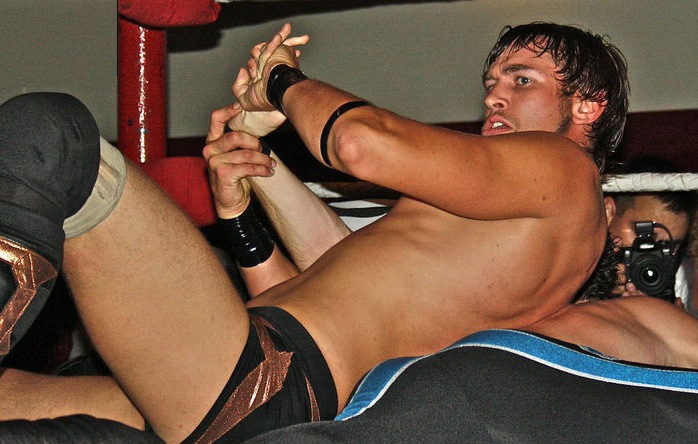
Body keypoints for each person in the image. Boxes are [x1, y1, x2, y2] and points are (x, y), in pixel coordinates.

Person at [0, 21, 647, 443]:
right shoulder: (510, 225)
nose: (494, 97)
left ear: (587, 104)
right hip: (260, 391)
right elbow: (331, 276)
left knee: (53, 137)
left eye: (521, 79)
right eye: (491, 82)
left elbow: (360, 143)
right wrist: (250, 189)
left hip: (268, 379)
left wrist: (280, 82)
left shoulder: (565, 168)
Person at [604, 155, 696, 309]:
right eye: (646, 237)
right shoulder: (572, 263)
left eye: (668, 245)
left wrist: (668, 319)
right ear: (608, 212)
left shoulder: (674, 279)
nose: (654, 253)